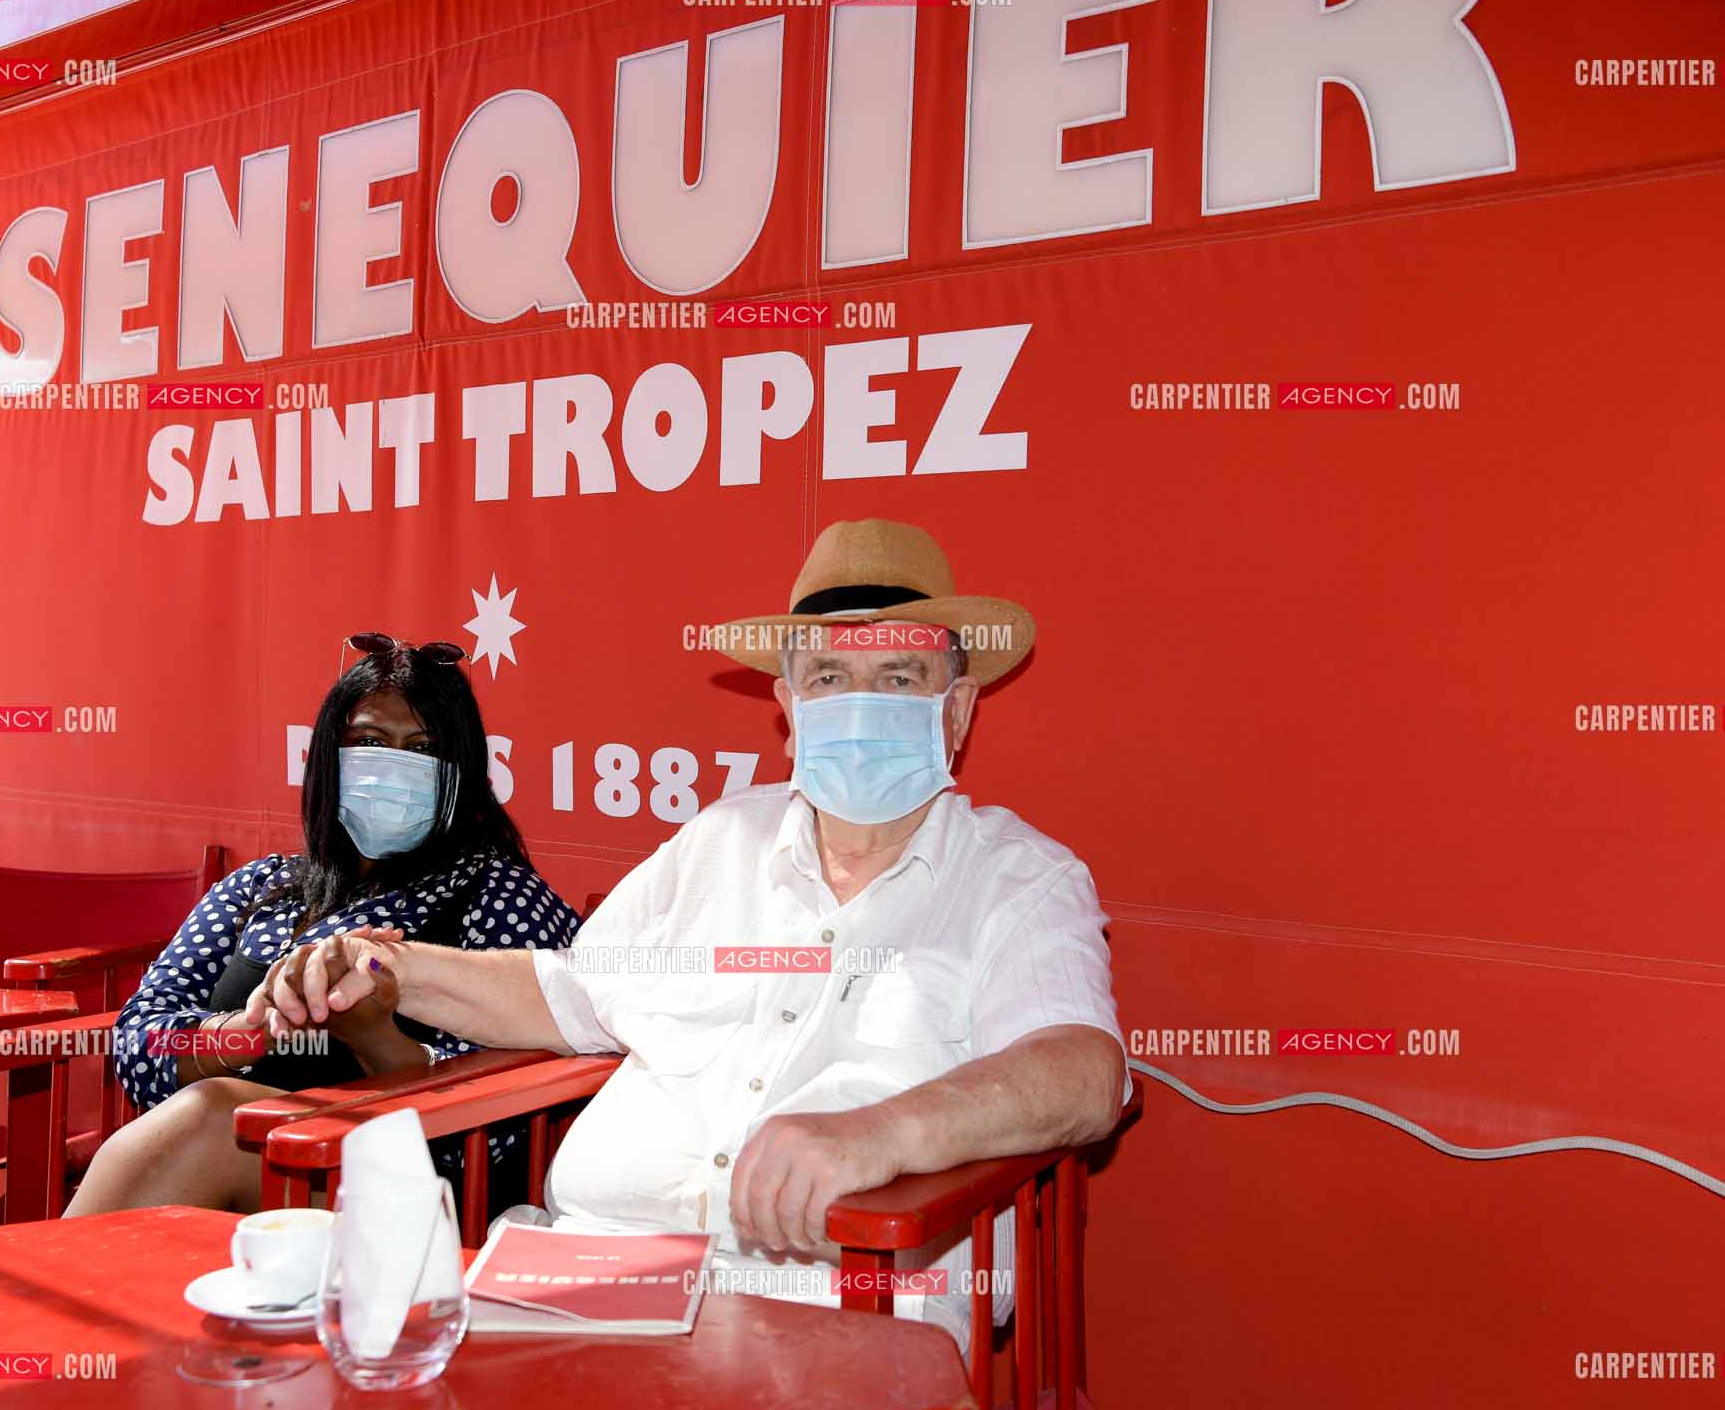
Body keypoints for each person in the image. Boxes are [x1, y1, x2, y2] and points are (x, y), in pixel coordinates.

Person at [258, 521, 1127, 1351]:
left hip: (831, 1310)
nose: (859, 705)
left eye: (898, 677)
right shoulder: (720, 842)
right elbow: (567, 992)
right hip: (589, 1277)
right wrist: (390, 967)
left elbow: (1084, 1071)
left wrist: (883, 1131)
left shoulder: (1018, 877)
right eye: (827, 676)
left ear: (958, 708)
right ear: (788, 706)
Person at [64, 631, 579, 1216]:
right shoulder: (264, 887)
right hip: (242, 1186)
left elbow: (498, 1118)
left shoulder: (501, 893)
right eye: (370, 741)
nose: (394, 765)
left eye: (423, 748)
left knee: (210, 1121)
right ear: (329, 757)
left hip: (413, 1194)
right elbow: (140, 1041)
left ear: (463, 772)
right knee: (206, 1119)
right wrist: (260, 1025)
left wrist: (373, 1035)